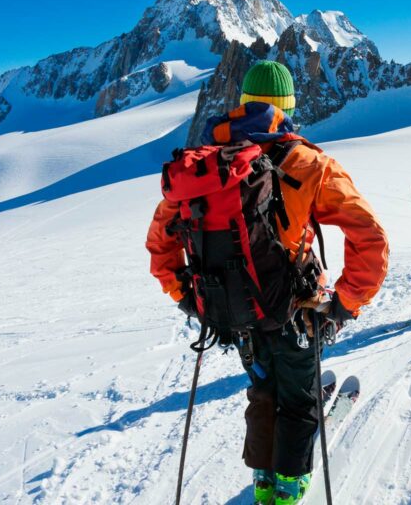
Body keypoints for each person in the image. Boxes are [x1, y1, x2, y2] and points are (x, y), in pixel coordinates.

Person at [145, 61, 389, 505]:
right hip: (297, 312)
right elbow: (369, 236)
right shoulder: (309, 163)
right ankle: (289, 488)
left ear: (242, 106)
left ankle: (263, 479)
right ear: (289, 107)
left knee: (262, 391)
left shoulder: (203, 170)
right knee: (298, 400)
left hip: (235, 314)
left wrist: (192, 301)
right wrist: (345, 304)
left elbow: (160, 247)